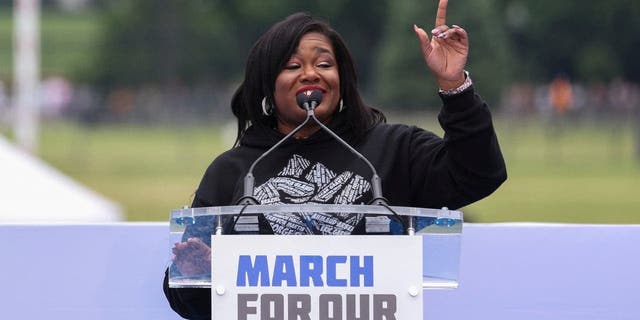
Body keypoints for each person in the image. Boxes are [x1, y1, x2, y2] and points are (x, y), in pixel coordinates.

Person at [164, 1, 507, 318]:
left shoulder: (394, 149)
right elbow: (187, 295)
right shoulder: (234, 170)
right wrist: (199, 274)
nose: (311, 74)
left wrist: (454, 86)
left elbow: (479, 173)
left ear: (342, 79)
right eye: (293, 65)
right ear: (267, 85)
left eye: (324, 64)